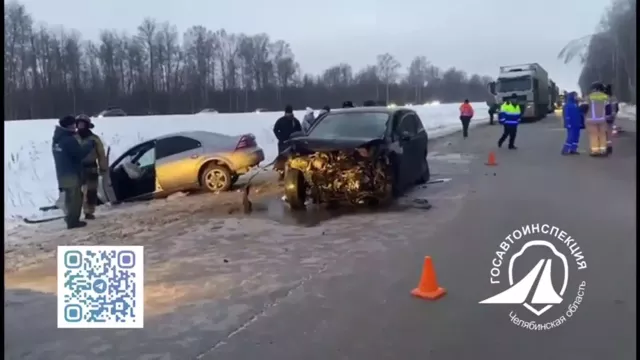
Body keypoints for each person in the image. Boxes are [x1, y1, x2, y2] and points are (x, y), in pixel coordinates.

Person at [52, 115, 96, 229]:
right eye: (73, 125)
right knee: (75, 199)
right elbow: (79, 154)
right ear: (68, 126)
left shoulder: (57, 139)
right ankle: (73, 222)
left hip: (61, 173)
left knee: (69, 198)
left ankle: (69, 217)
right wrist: (89, 145)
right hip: (71, 174)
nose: (75, 127)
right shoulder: (69, 140)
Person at [75, 114, 108, 219]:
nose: (80, 126)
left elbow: (101, 154)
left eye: (82, 124)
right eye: (79, 124)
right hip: (78, 169)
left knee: (91, 191)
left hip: (91, 168)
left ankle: (89, 211)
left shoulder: (94, 139)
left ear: (87, 125)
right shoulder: (73, 138)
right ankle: (75, 211)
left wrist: (103, 168)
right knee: (78, 192)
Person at [273, 105, 302, 178]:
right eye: (287, 113)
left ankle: (292, 172)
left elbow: (300, 131)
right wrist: (280, 138)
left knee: (292, 158)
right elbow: (275, 129)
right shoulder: (281, 121)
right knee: (282, 158)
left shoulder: (295, 121)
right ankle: (282, 173)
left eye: (289, 113)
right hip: (283, 143)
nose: (288, 114)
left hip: (293, 143)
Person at [584, 82, 611, 156]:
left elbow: (584, 108)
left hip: (591, 120)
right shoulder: (605, 97)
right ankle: (603, 150)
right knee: (602, 134)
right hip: (602, 119)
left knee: (593, 135)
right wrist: (608, 117)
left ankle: (595, 151)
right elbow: (608, 109)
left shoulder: (589, 97)